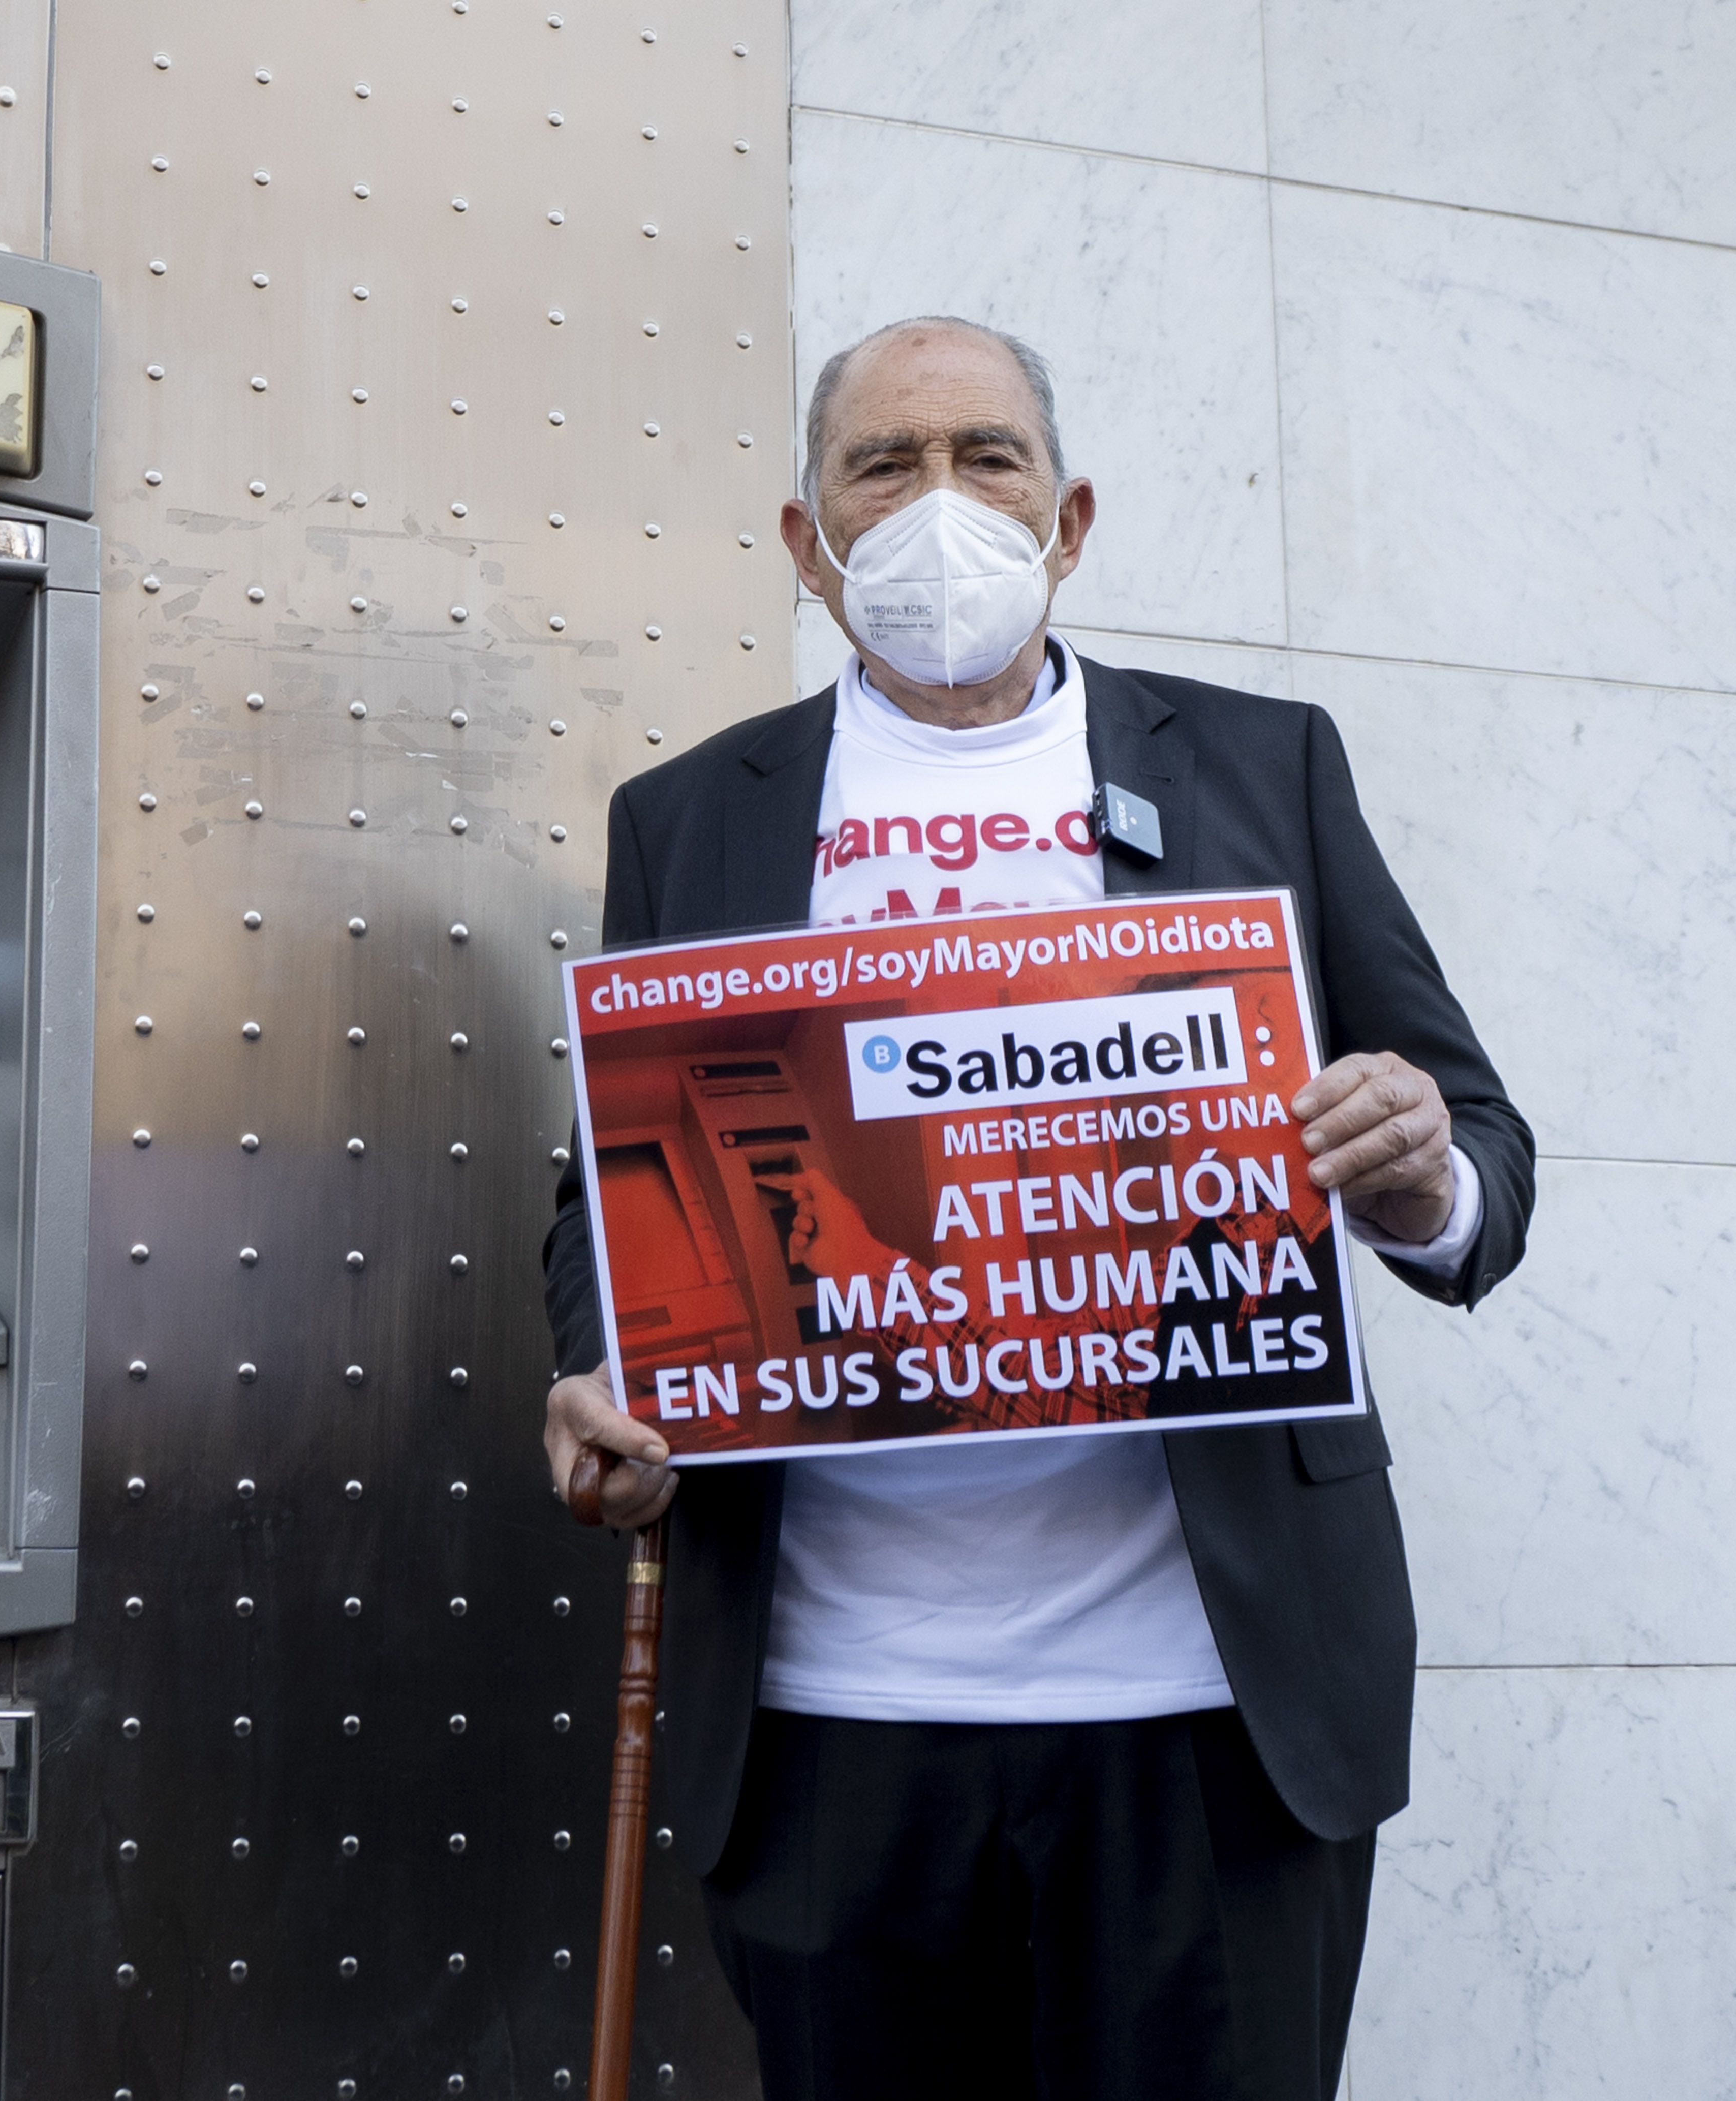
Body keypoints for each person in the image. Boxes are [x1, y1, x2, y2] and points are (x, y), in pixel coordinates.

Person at [540, 316, 1534, 2099]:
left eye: (985, 461)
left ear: (1067, 518)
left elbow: (1469, 1139)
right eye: (882, 466)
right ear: (804, 541)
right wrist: (602, 1374)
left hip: (1209, 1715)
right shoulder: (693, 816)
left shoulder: (1261, 764)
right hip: (829, 1709)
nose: (939, 507)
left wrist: (1418, 1177)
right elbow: (615, 1196)